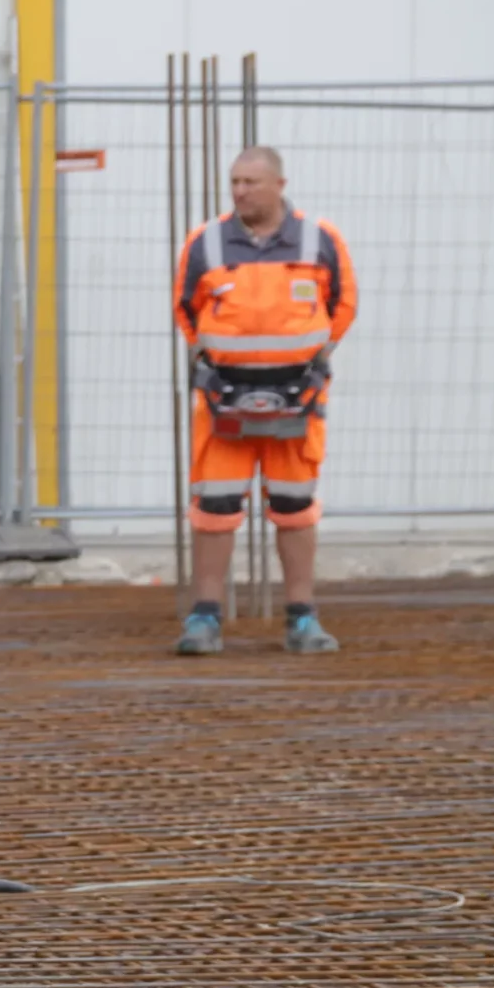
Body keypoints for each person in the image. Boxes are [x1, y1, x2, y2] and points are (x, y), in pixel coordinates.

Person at [171, 146, 357, 657]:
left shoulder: (320, 240)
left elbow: (343, 304)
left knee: (295, 506)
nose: (239, 191)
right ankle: (204, 617)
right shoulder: (205, 242)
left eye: (250, 181)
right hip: (222, 402)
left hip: (298, 401)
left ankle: (302, 618)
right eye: (234, 181)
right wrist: (217, 362)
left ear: (279, 184)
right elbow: (186, 309)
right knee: (215, 505)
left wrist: (308, 361)